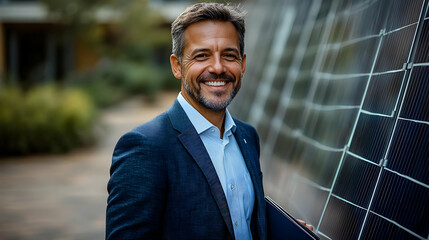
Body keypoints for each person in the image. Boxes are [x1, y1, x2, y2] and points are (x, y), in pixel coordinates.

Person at [106, 2, 312, 240]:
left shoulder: (248, 137)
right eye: (202, 55)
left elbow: (241, 223)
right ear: (177, 66)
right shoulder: (145, 147)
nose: (217, 67)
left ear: (242, 65)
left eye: (229, 55)